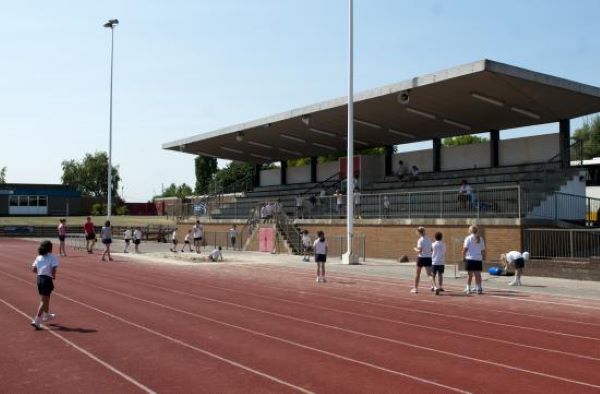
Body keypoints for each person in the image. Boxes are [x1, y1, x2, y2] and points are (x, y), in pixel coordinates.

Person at [31, 240, 59, 329]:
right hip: (47, 279)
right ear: (50, 248)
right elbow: (54, 268)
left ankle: (46, 315)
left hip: (39, 279)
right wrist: (53, 275)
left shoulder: (39, 257)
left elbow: (34, 269)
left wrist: (41, 272)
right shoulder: (52, 257)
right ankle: (37, 319)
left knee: (46, 297)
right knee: (44, 300)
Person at [463, 225, 485, 294]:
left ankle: (468, 288)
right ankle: (479, 288)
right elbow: (483, 250)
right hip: (478, 258)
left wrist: (463, 256)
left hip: (470, 258)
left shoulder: (468, 238)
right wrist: (482, 257)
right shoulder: (481, 238)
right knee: (478, 274)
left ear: (470, 231)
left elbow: (465, 249)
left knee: (469, 275)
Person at [411, 226, 433, 293]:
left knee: (417, 274)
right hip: (428, 257)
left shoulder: (420, 240)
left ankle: (415, 288)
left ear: (419, 232)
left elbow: (420, 250)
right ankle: (433, 286)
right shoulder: (429, 239)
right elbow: (431, 249)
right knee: (429, 274)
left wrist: (415, 249)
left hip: (421, 258)